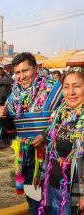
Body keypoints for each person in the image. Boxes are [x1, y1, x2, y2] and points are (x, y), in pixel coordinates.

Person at [0, 52, 63, 215]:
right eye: (18, 72)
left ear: (36, 68)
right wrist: (2, 117)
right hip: (28, 161)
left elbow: (66, 121)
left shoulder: (54, 89)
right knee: (34, 203)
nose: (21, 76)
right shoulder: (15, 96)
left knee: (54, 204)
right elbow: (11, 130)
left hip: (54, 160)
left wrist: (45, 136)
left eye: (25, 71)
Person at [33, 67, 84, 215]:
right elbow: (52, 149)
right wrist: (41, 175)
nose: (71, 92)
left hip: (75, 193)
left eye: (77, 86)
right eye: (66, 87)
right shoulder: (60, 114)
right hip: (53, 187)